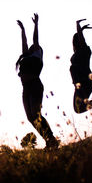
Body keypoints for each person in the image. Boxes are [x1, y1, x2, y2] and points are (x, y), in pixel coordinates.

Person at [16, 14, 59, 149]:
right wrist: (22, 29)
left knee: (36, 114)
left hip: (35, 86)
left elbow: (35, 39)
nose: (31, 47)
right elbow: (24, 42)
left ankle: (51, 139)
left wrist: (36, 24)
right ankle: (48, 140)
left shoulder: (37, 54)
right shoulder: (26, 56)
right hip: (26, 88)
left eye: (34, 46)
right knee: (30, 117)